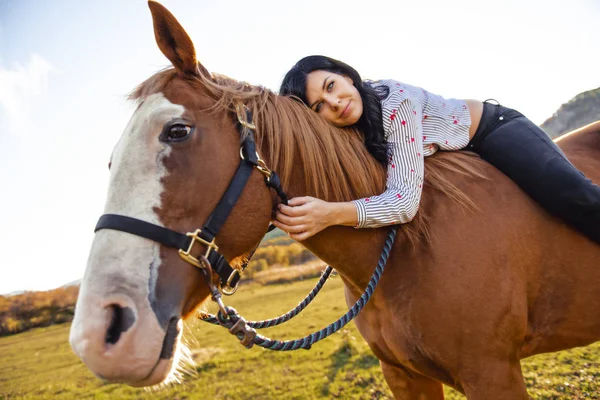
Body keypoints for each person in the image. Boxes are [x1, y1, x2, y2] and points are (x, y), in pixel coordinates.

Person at [272, 55, 600, 244]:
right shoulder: (347, 130)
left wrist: (330, 213)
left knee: (569, 192)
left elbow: (403, 202)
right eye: (319, 107)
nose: (334, 103)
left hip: (490, 130)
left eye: (331, 86)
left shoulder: (394, 102)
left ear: (345, 75)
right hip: (449, 155)